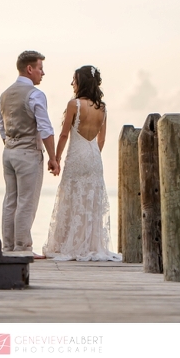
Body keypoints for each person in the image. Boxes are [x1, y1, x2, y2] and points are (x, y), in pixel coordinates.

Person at [42, 65, 122, 261]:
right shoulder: (102, 107)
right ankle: (89, 244)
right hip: (94, 156)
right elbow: (102, 139)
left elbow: (64, 135)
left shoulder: (74, 104)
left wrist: (56, 158)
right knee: (90, 199)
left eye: (75, 80)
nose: (72, 83)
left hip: (77, 155)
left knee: (71, 195)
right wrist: (93, 155)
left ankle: (69, 243)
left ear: (82, 82)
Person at [0, 50, 60, 259]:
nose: (43, 73)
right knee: (27, 201)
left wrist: (11, 144)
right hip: (28, 154)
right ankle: (23, 247)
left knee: (10, 200)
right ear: (30, 69)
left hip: (9, 153)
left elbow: (1, 127)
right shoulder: (35, 94)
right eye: (40, 68)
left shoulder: (4, 95)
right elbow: (45, 128)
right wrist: (53, 157)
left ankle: (8, 247)